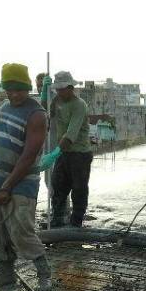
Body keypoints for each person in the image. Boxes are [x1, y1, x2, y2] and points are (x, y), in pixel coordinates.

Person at [0, 63, 52, 291]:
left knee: (21, 230)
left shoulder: (37, 114)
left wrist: (8, 186)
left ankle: (44, 275)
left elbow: (29, 155)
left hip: (22, 183)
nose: (14, 94)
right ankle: (6, 274)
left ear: (28, 87)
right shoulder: (3, 108)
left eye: (19, 90)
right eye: (9, 90)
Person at [50, 71, 92, 228]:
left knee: (79, 188)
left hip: (79, 153)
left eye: (62, 89)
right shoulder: (57, 100)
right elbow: (46, 113)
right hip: (64, 152)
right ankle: (57, 218)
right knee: (58, 185)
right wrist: (44, 95)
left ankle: (76, 222)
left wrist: (53, 154)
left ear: (70, 87)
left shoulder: (79, 105)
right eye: (57, 89)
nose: (59, 92)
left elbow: (70, 135)